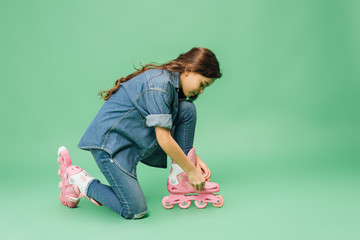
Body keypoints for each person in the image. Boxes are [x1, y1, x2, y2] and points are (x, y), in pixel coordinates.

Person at [57, 47, 222, 219]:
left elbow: (169, 125)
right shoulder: (160, 87)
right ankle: (78, 181)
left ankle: (179, 177)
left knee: (186, 109)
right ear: (188, 70)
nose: (201, 91)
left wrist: (192, 158)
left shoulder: (170, 84)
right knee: (135, 210)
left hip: (132, 137)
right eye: (202, 84)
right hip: (110, 145)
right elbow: (164, 138)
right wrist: (192, 171)